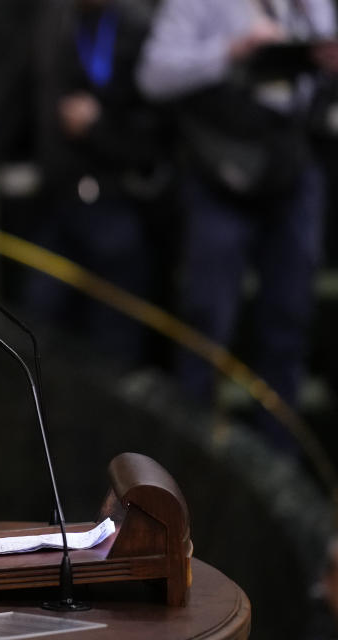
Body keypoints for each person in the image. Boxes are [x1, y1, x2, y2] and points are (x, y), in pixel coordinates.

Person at [136, 0, 337, 447]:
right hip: (220, 168)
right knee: (207, 319)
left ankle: (278, 464)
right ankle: (194, 456)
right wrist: (231, 49)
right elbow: (154, 76)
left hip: (293, 164)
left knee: (289, 317)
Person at [0, 0, 172, 368]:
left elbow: (159, 128)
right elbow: (18, 90)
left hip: (116, 199)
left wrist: (100, 127)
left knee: (113, 327)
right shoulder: (55, 16)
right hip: (57, 200)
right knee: (41, 315)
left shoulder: (139, 25)